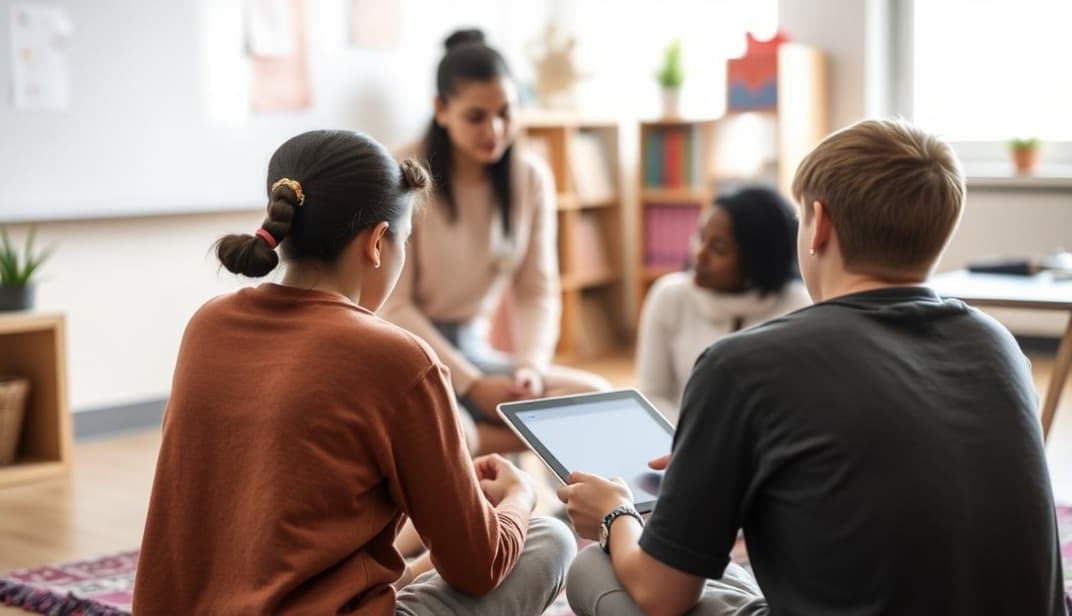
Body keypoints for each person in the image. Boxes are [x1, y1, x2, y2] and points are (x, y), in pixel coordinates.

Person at [557, 119, 1066, 615]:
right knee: (725, 567)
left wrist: (615, 514)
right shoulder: (1000, 347)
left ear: (819, 224)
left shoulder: (740, 366)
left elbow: (663, 596)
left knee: (596, 568)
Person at [133, 130, 575, 615]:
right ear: (378, 243)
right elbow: (480, 566)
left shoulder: (207, 324)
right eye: (404, 242)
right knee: (549, 538)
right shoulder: (398, 357)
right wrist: (520, 496)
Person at [381, 29, 609, 455]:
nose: (496, 130)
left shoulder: (530, 178)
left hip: (474, 349)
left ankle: (569, 504)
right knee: (456, 431)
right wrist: (471, 383)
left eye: (507, 112)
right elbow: (394, 307)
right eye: (477, 116)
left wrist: (530, 367)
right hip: (407, 353)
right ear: (441, 110)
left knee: (596, 398)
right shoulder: (402, 171)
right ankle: (489, 445)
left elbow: (536, 291)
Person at [637, 186, 810, 422]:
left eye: (719, 249)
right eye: (700, 238)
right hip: (680, 439)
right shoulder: (669, 296)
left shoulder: (798, 305)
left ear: (757, 260)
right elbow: (651, 396)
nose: (699, 254)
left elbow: (798, 406)